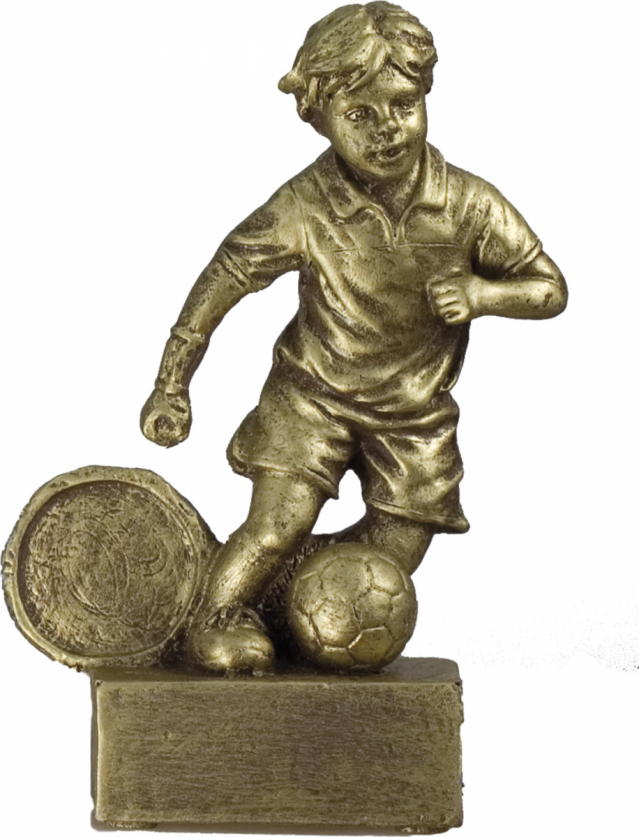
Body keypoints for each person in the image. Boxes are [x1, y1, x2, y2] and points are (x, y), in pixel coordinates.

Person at [141, 2, 567, 674]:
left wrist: (483, 295)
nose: (386, 128)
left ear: (425, 94)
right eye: (359, 114)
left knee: (390, 558)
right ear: (318, 117)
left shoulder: (468, 203)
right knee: (276, 526)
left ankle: (288, 610)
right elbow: (227, 274)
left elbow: (548, 287)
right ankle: (215, 616)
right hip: (311, 398)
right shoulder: (305, 204)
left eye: (402, 105)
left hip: (414, 416)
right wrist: (172, 383)